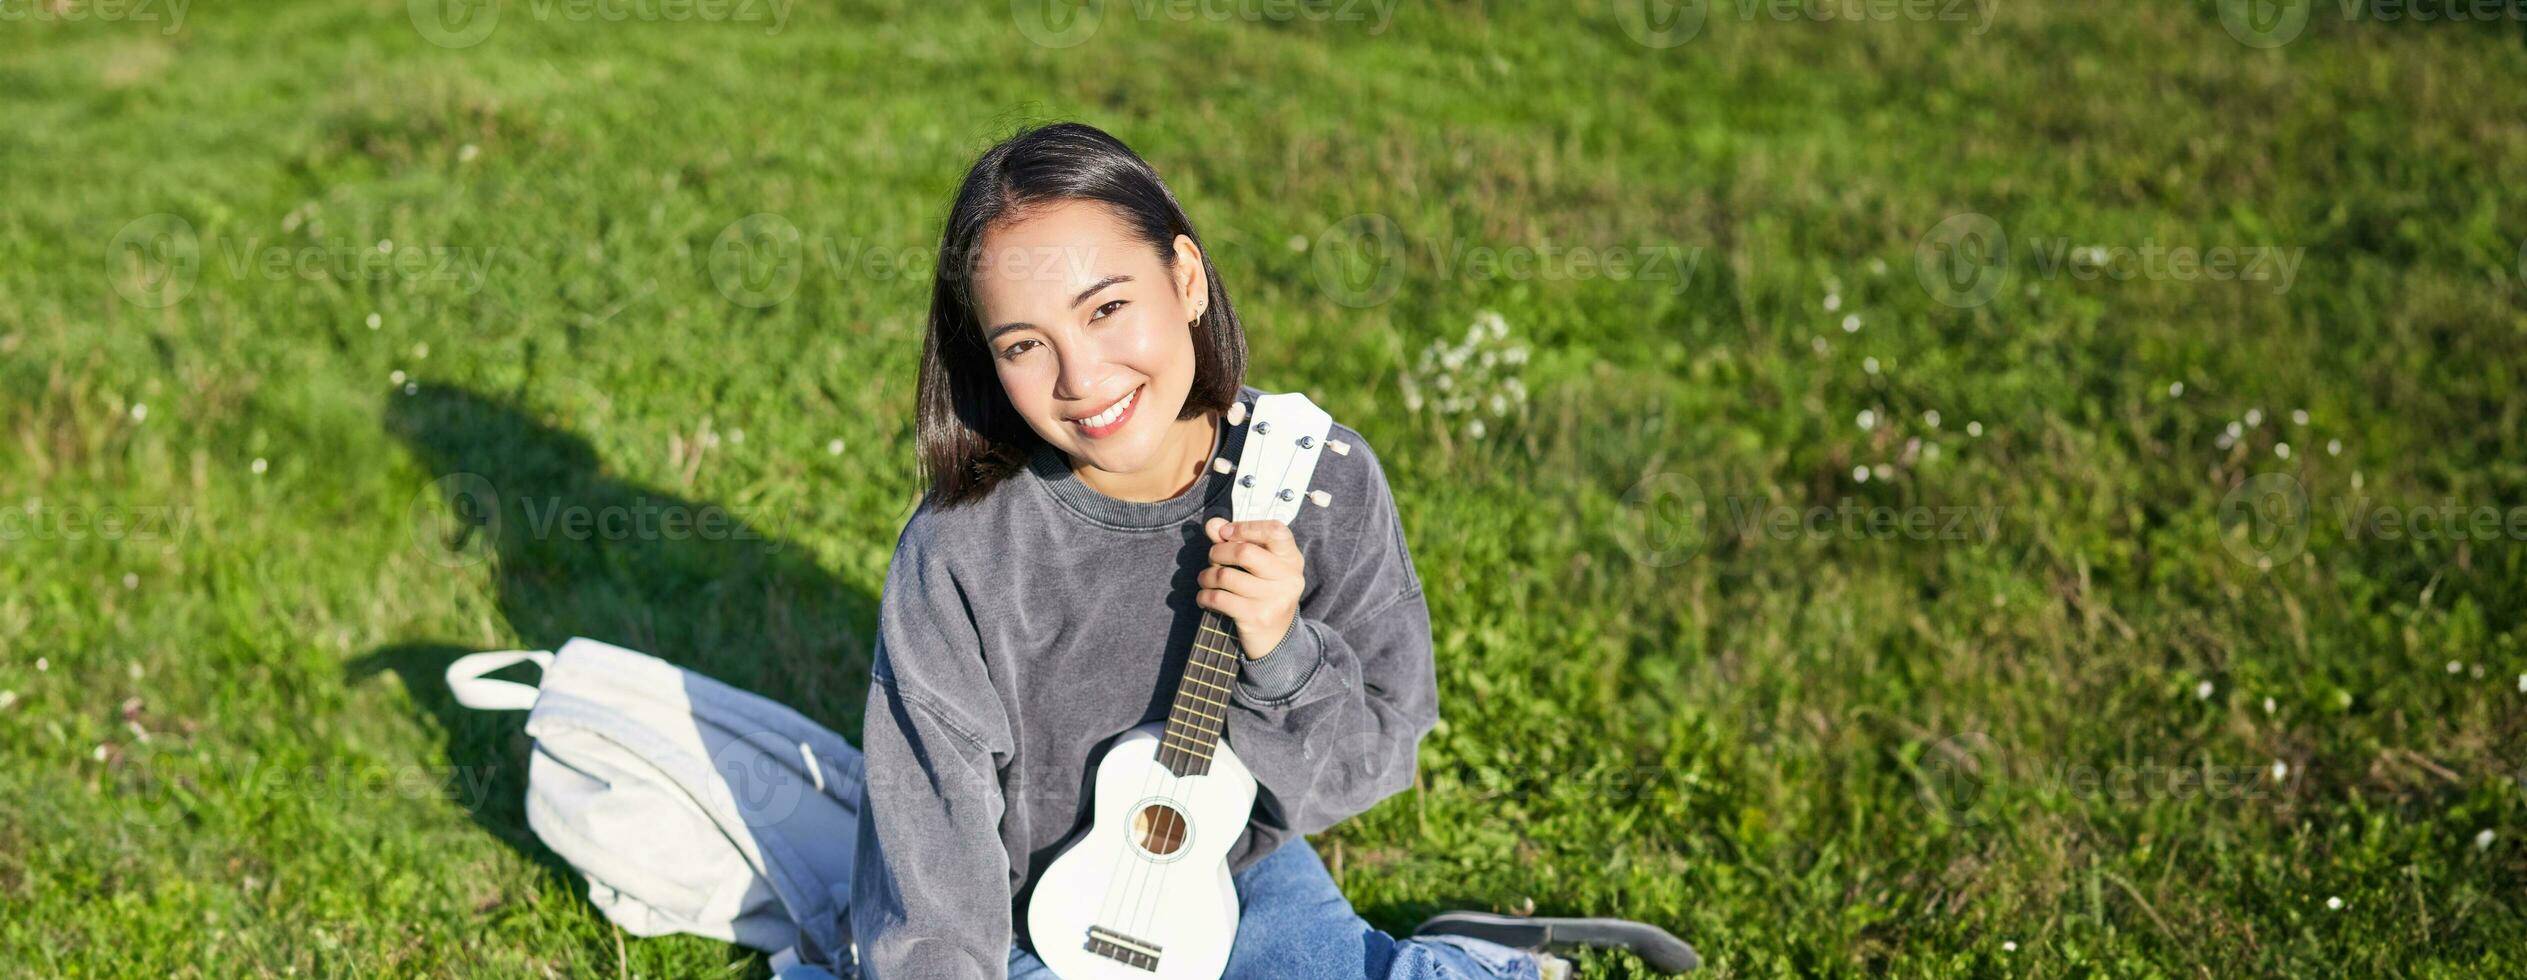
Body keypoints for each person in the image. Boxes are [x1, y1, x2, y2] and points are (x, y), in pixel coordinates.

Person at [848, 122, 1698, 980]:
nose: (1080, 377)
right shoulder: (962, 548)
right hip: (1034, 915)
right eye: (1024, 345)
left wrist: (1281, 655)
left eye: (1106, 308)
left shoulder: (1316, 480)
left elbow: (1368, 767)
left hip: (1233, 864)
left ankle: (1464, 960)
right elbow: (931, 824)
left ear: (1184, 279)